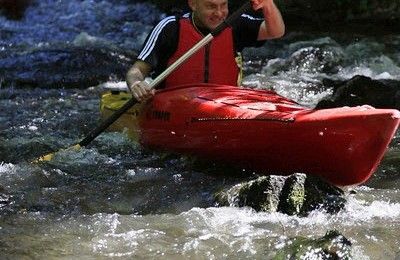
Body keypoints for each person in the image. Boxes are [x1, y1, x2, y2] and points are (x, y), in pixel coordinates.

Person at [126, 0, 285, 102]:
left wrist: (268, 4)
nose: (219, 13)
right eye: (211, 6)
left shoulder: (235, 25)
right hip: (174, 106)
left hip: (226, 103)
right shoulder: (170, 28)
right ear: (193, 4)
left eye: (223, 5)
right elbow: (137, 70)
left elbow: (276, 31)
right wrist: (136, 84)